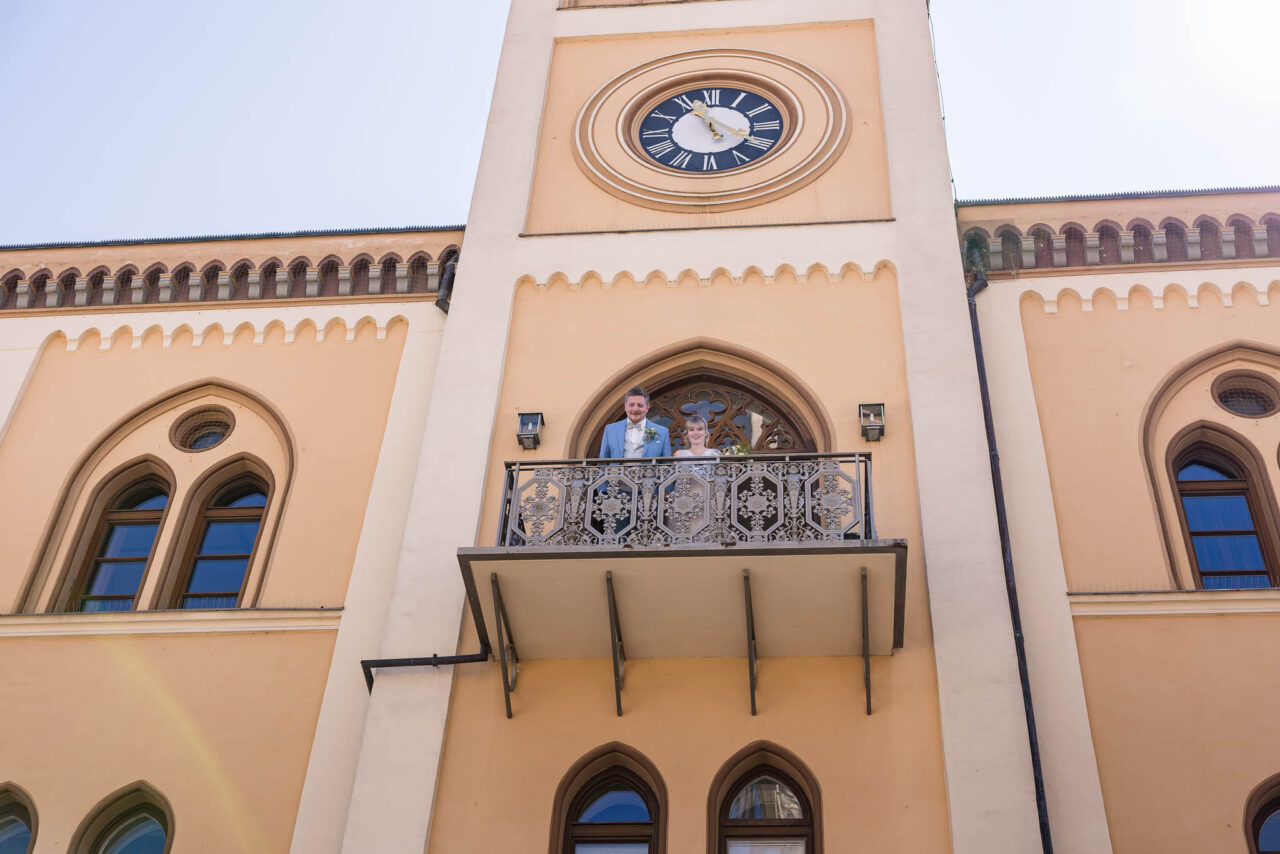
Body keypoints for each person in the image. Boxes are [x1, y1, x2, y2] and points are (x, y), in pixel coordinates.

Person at [598, 386, 672, 458]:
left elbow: (666, 464)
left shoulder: (662, 432)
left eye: (640, 405)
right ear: (625, 406)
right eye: (631, 405)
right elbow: (603, 462)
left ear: (647, 407)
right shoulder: (610, 430)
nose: (635, 409)